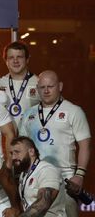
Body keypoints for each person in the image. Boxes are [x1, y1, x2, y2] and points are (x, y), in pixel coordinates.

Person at [18, 70, 91, 216]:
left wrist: (80, 174)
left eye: (50, 86)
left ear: (60, 86)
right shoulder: (28, 114)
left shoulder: (73, 111)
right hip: (35, 177)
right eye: (42, 87)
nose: (46, 91)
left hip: (65, 177)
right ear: (37, 88)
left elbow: (85, 145)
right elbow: (22, 148)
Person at [10, 136, 67, 216]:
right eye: (11, 153)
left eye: (17, 152)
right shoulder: (23, 175)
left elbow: (43, 204)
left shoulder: (46, 170)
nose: (13, 157)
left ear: (31, 152)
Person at [0, 42, 39, 126]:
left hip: (32, 137)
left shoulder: (39, 83)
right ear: (6, 61)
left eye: (19, 57)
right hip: (6, 137)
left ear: (27, 59)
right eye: (11, 57)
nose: (15, 61)